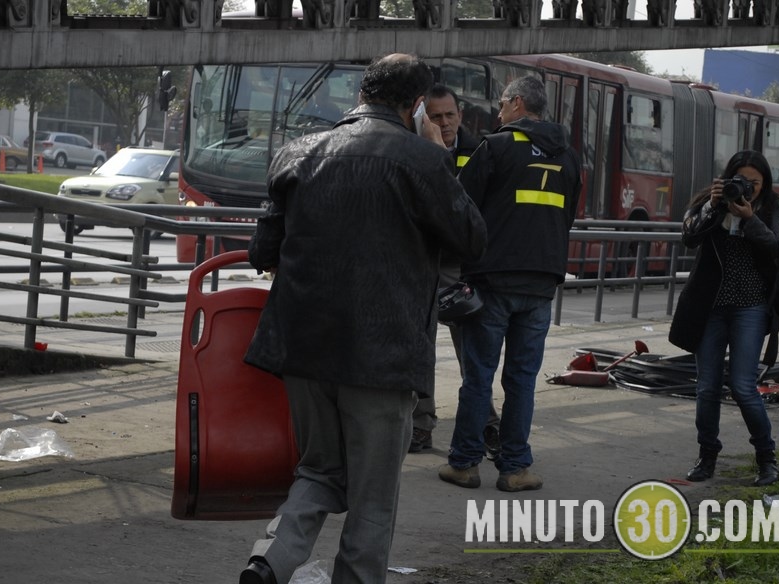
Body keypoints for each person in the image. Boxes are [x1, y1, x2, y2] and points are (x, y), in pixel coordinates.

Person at [240, 54, 487, 584]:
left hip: (303, 348)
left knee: (319, 471)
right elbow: (472, 238)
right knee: (374, 494)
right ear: (417, 105)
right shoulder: (424, 160)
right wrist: (440, 151)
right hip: (384, 354)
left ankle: (269, 562)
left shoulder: (297, 153)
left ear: (361, 94)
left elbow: (264, 248)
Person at [438, 75, 582, 492]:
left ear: (518, 104)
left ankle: (464, 464)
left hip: (494, 280)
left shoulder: (496, 147)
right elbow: (567, 216)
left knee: (479, 376)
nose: (499, 113)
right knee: (521, 378)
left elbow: (462, 209)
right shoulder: (569, 158)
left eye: (502, 105)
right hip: (541, 283)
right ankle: (515, 467)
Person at [668, 150, 779, 487]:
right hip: (711, 308)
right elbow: (689, 236)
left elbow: (776, 247)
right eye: (741, 181)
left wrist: (750, 219)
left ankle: (767, 458)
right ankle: (707, 456)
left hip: (750, 307)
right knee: (706, 387)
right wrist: (714, 206)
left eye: (755, 183)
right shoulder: (711, 201)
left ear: (764, 184)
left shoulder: (771, 207)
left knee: (743, 386)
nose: (747, 188)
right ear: (728, 178)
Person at [409, 83, 501, 457]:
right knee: (421, 347)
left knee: (472, 351)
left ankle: (487, 423)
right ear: (421, 118)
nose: (444, 123)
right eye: (435, 116)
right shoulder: (410, 149)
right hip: (420, 262)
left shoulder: (480, 151)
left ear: (461, 116)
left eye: (450, 115)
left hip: (461, 267)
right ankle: (420, 426)